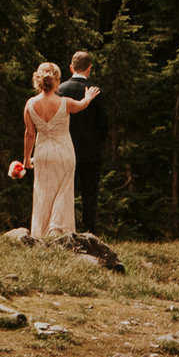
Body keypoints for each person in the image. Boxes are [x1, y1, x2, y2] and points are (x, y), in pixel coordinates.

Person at [22, 60, 99, 238]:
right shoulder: (65, 102)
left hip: (41, 154)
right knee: (63, 191)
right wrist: (88, 97)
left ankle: (40, 233)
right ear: (57, 80)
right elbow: (82, 105)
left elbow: (29, 134)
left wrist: (27, 158)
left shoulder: (30, 104)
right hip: (63, 152)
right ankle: (57, 231)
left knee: (43, 191)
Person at [57, 50, 107, 235]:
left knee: (65, 190)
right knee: (90, 193)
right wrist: (99, 143)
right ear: (89, 68)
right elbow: (104, 123)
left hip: (65, 147)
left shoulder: (60, 90)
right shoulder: (96, 91)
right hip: (91, 150)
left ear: (71, 67)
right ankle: (89, 230)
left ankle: (64, 229)